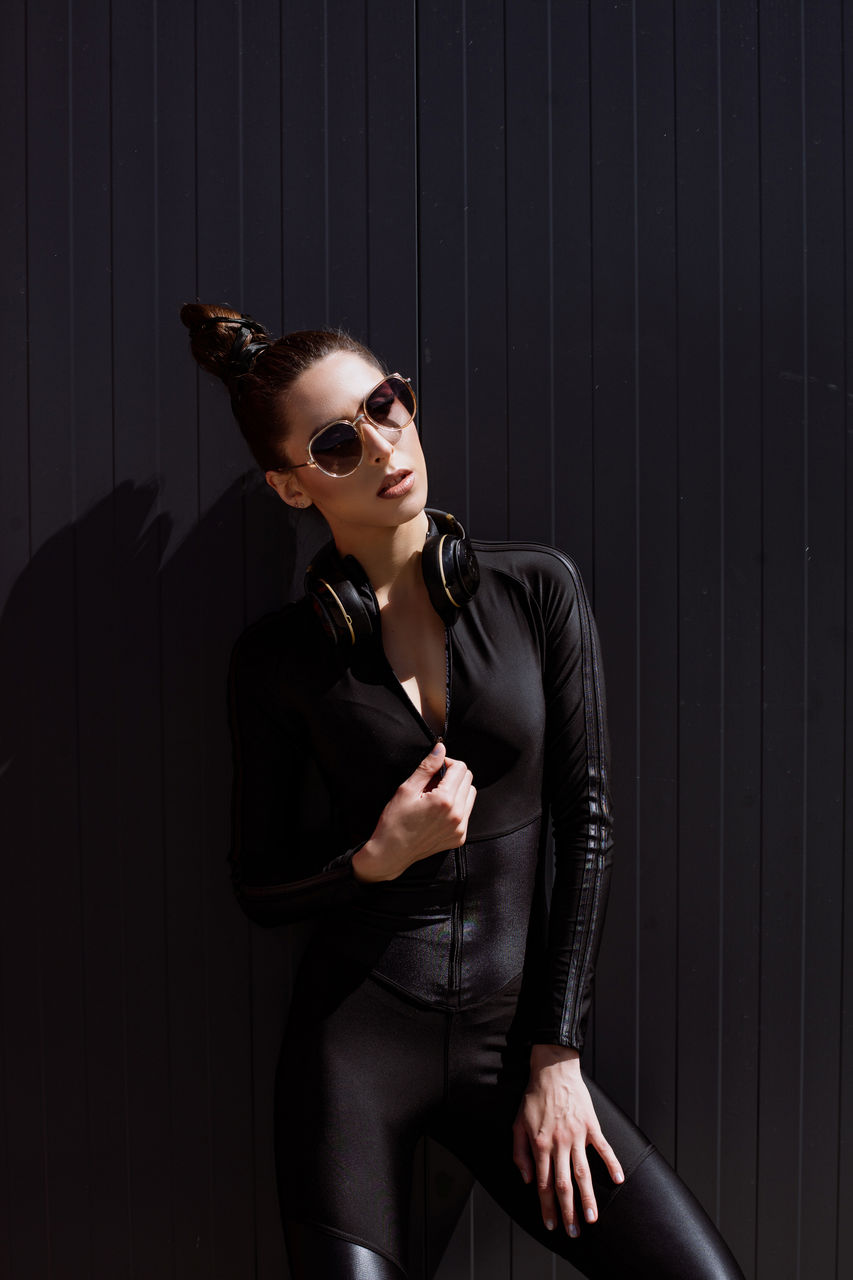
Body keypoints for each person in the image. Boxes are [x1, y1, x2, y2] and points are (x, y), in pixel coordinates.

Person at [181, 303, 745, 1280]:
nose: (384, 445)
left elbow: (589, 823)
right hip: (352, 1051)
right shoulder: (276, 662)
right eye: (335, 442)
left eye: (386, 405)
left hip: (508, 1042)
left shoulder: (537, 591)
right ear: (290, 483)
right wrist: (373, 860)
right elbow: (256, 884)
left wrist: (554, 1052)